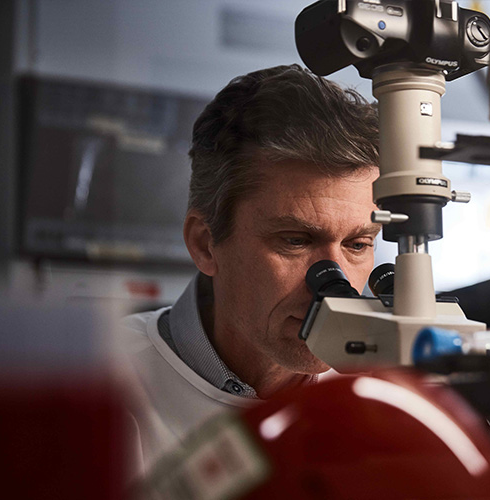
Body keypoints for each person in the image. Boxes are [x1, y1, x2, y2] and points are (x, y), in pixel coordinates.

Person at [118, 64, 381, 475]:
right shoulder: (100, 390)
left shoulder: (381, 396)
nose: (336, 285)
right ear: (206, 244)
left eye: (357, 244)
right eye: (294, 240)